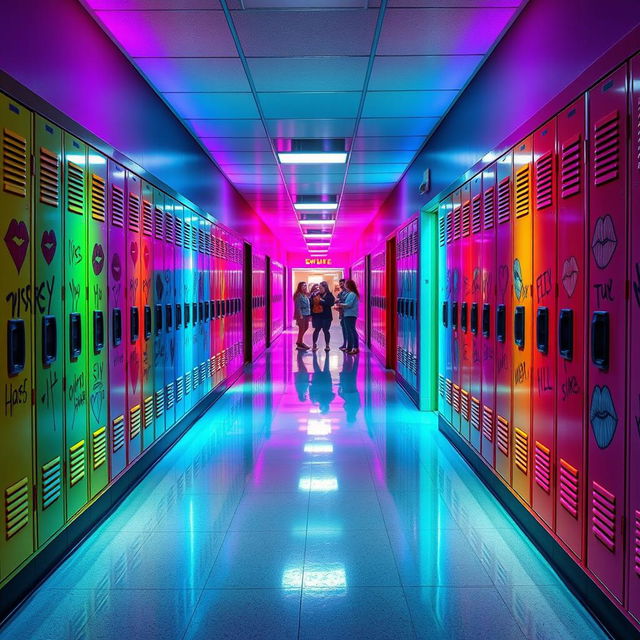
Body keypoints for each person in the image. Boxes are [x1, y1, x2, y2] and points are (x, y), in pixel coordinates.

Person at [337, 279, 360, 355]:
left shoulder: (352, 294)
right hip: (348, 314)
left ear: (348, 285)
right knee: (349, 331)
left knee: (351, 331)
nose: (344, 286)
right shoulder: (351, 294)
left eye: (346, 284)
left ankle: (355, 347)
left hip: (350, 314)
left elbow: (349, 304)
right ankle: (349, 347)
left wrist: (340, 305)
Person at [310, 281, 335, 351]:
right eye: (319, 288)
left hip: (326, 316)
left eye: (321, 288)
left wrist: (321, 301)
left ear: (325, 287)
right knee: (317, 330)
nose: (319, 289)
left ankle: (327, 345)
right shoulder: (316, 294)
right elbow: (311, 304)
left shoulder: (329, 295)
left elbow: (331, 303)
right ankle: (314, 345)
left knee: (326, 330)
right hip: (317, 316)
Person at [293, 282, 311, 350]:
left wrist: (309, 315)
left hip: (307, 314)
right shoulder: (298, 295)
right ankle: (300, 343)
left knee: (306, 327)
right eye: (303, 286)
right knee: (302, 329)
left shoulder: (305, 295)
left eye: (306, 285)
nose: (305, 287)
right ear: (300, 287)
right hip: (302, 315)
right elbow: (298, 306)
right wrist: (300, 315)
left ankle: (299, 341)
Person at [336, 278, 348, 351]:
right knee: (344, 328)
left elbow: (346, 302)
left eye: (342, 283)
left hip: (346, 313)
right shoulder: (341, 292)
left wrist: (339, 302)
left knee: (347, 329)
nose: (340, 285)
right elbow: (339, 299)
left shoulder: (348, 292)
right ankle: (344, 344)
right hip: (342, 313)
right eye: (340, 283)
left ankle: (348, 344)